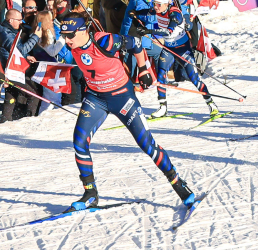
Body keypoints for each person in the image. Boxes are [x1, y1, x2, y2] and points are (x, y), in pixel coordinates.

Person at [52, 15, 199, 213]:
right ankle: (90, 194)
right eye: (64, 36)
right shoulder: (72, 47)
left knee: (147, 144)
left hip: (122, 98)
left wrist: (144, 69)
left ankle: (179, 185)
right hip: (96, 98)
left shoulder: (104, 40)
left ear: (82, 31)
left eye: (70, 35)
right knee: (79, 142)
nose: (67, 40)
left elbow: (136, 44)